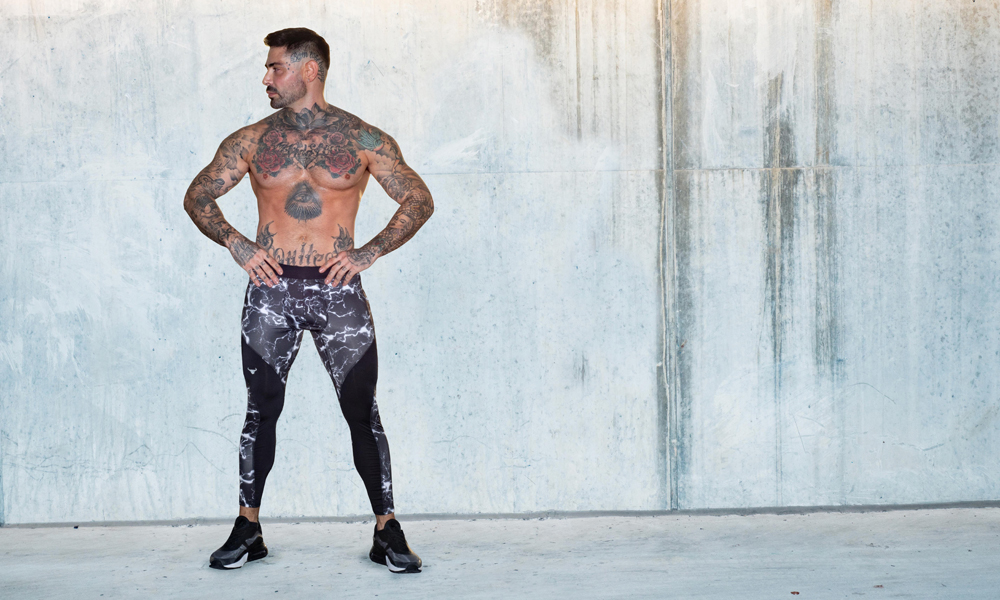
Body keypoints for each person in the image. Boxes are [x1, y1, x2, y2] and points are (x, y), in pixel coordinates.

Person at [182, 27, 432, 574]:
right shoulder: (251, 140)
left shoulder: (363, 139)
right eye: (268, 68)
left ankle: (387, 529)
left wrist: (369, 251)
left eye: (276, 67)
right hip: (271, 290)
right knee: (260, 409)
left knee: (361, 411)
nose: (266, 78)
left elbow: (418, 198)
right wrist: (236, 243)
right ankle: (248, 527)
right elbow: (197, 195)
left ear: (309, 69)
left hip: (337, 291)